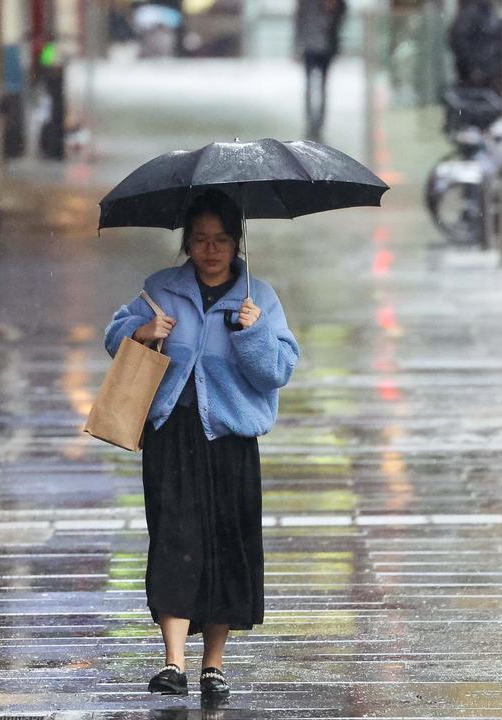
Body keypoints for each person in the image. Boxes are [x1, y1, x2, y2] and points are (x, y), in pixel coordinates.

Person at [103, 191, 300, 702]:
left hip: (230, 441)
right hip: (172, 436)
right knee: (174, 541)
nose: (210, 250)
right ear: (186, 242)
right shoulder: (161, 289)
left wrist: (252, 333)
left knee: (223, 547)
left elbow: (277, 370)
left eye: (221, 240)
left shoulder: (259, 298)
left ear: (237, 242)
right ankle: (174, 662)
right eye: (200, 240)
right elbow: (115, 336)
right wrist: (144, 332)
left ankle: (214, 664)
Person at [295, 0, 346, 140]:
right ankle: (311, 123)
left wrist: (332, 8)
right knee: (310, 87)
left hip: (325, 48)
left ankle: (318, 124)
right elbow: (300, 20)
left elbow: (340, 16)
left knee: (322, 86)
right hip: (310, 47)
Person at [448, 0, 502, 98]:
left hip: (488, 73)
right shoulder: (472, 12)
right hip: (476, 75)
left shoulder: (487, 10)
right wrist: (473, 69)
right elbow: (459, 41)